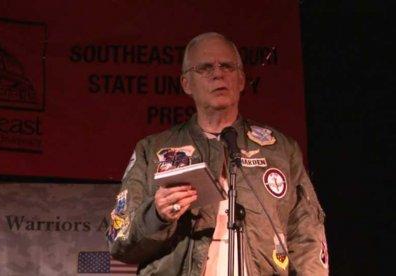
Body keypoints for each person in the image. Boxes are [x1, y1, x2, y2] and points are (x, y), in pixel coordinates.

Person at [106, 32, 328, 276]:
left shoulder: (281, 150)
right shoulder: (152, 149)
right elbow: (119, 240)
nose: (218, 73)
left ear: (241, 80)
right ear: (186, 84)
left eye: (227, 66)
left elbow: (307, 236)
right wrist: (156, 215)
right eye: (204, 67)